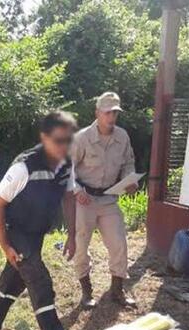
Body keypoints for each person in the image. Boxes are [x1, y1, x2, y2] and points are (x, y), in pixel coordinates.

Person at [0, 111, 78, 330]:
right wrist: (6, 246)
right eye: (58, 140)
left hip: (36, 234)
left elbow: (69, 197)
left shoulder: (67, 164)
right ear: (44, 138)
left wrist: (72, 234)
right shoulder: (24, 167)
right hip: (17, 231)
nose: (63, 146)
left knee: (12, 282)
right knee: (40, 283)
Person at [70, 92, 138, 309]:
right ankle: (86, 291)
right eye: (107, 112)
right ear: (97, 112)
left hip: (109, 198)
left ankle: (117, 290)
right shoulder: (81, 138)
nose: (112, 117)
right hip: (84, 199)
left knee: (119, 243)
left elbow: (128, 162)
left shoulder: (123, 137)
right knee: (81, 245)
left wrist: (130, 180)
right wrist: (76, 189)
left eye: (115, 112)